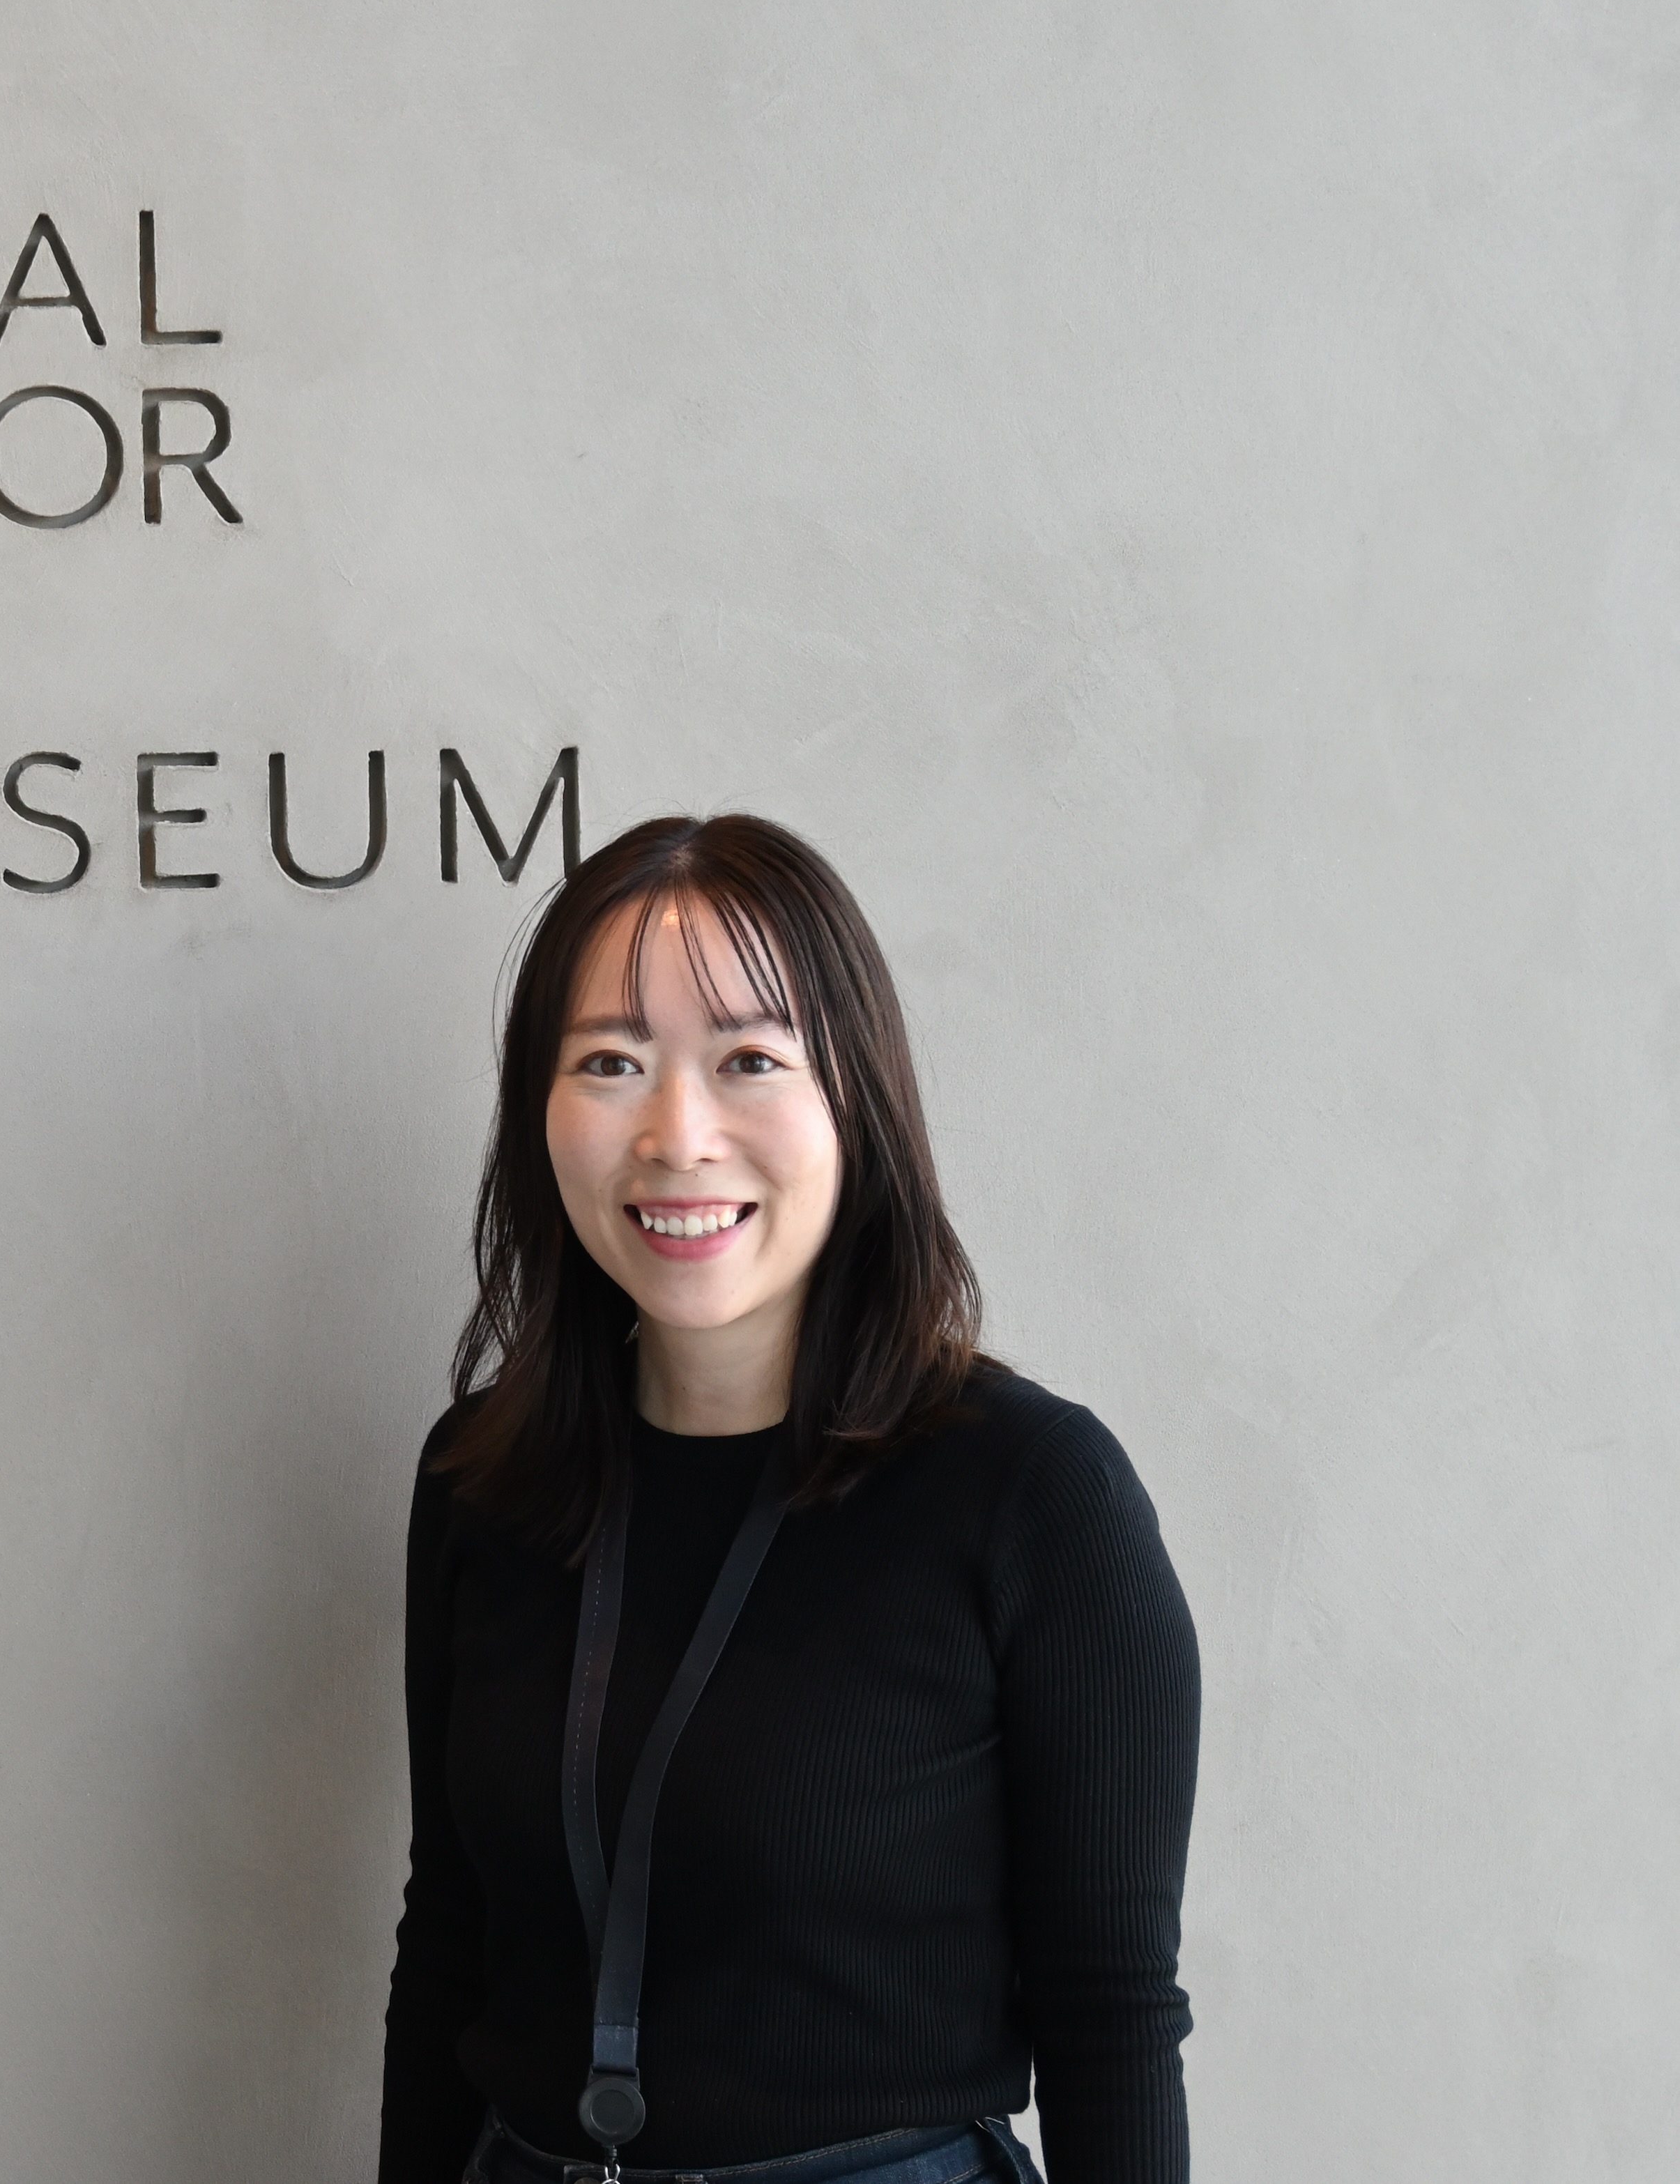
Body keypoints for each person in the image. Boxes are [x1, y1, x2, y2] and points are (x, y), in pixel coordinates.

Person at [379, 816, 1199, 2184]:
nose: (676, 1135)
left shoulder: (1033, 1492)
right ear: (538, 1109)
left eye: (749, 1060)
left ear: (854, 1100)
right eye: (609, 1063)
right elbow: (448, 1941)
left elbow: (1111, 2014)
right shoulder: (481, 1474)